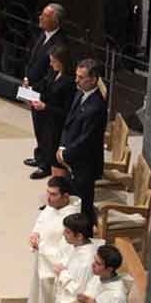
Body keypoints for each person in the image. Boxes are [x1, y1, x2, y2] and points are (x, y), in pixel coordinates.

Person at [22, 175, 75, 303]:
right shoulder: (51, 207)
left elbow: (64, 252)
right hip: (41, 262)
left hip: (52, 270)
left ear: (66, 196)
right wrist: (35, 235)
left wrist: (41, 246)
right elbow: (41, 221)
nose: (48, 198)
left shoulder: (71, 219)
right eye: (47, 193)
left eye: (53, 194)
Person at [57, 59, 108, 220]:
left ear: (93, 79)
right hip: (72, 154)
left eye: (81, 77)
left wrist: (66, 154)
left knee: (82, 204)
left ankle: (84, 236)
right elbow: (69, 122)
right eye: (76, 76)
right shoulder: (80, 92)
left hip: (85, 162)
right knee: (72, 199)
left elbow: (87, 139)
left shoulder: (97, 106)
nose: (76, 80)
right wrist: (62, 147)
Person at [28, 47, 76, 180]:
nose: (50, 64)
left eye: (53, 61)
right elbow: (45, 85)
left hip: (57, 119)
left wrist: (45, 106)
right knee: (43, 138)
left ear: (62, 62)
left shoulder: (70, 81)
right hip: (47, 115)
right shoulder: (54, 72)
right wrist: (30, 88)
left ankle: (46, 166)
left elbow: (66, 111)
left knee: (51, 143)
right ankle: (42, 161)